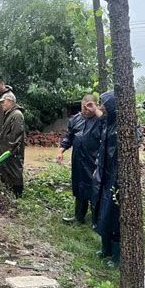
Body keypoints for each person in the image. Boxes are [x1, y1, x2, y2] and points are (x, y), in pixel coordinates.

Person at [57, 94, 103, 224]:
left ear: (95, 106)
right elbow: (69, 137)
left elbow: (110, 123)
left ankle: (97, 221)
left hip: (95, 161)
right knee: (79, 188)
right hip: (78, 161)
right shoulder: (75, 119)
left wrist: (97, 111)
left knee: (96, 190)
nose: (86, 110)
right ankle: (79, 217)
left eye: (89, 107)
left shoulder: (101, 119)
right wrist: (61, 150)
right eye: (84, 108)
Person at [90, 91, 120, 267]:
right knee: (101, 210)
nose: (101, 108)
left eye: (104, 105)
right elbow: (101, 117)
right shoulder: (108, 123)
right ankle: (106, 248)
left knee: (114, 216)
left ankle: (117, 256)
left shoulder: (122, 129)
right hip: (103, 176)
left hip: (115, 178)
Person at [0, 92, 25, 198]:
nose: (2, 105)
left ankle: (18, 195)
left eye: (3, 102)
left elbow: (16, 134)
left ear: (11, 102)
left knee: (15, 173)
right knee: (8, 172)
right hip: (7, 150)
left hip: (12, 152)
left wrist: (11, 150)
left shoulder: (17, 115)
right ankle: (10, 194)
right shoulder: (10, 114)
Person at [0, 77, 14, 144]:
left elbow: (10, 117)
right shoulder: (1, 96)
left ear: (2, 84)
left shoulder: (8, 97)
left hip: (4, 133)